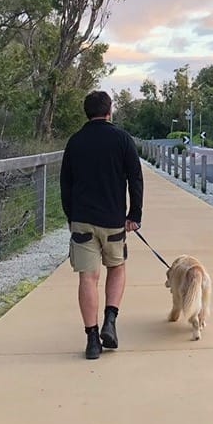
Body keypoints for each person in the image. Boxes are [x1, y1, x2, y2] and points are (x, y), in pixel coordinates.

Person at [60, 90, 143, 360]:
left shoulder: (75, 142)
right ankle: (110, 320)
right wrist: (134, 215)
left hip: (83, 219)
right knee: (117, 268)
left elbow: (66, 184)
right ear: (110, 111)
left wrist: (71, 217)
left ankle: (92, 339)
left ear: (87, 112)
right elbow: (135, 179)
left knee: (88, 277)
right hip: (113, 220)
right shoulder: (122, 139)